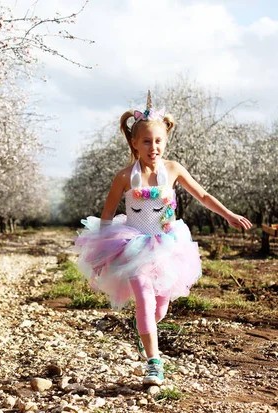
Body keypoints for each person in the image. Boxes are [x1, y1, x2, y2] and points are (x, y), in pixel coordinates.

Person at [73, 91, 252, 386]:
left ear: (165, 140)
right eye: (146, 141)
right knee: (144, 301)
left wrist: (228, 214)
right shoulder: (123, 177)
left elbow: (203, 196)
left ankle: (146, 329)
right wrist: (101, 253)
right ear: (134, 143)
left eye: (158, 141)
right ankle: (154, 363)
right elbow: (107, 216)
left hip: (169, 245)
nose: (152, 147)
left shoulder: (173, 170)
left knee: (160, 308)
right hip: (132, 245)